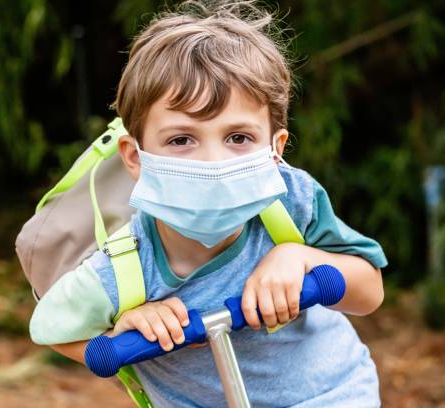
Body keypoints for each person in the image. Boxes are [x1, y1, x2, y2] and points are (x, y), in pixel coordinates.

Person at [29, 1, 387, 406]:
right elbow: (53, 330)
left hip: (334, 395)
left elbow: (369, 290)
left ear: (275, 148)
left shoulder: (291, 202)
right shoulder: (125, 268)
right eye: (181, 140)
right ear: (134, 157)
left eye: (238, 138)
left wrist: (299, 256)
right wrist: (120, 333)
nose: (213, 163)